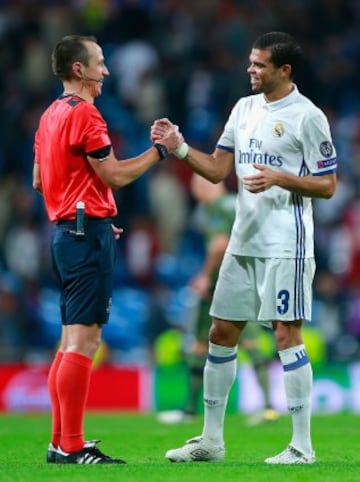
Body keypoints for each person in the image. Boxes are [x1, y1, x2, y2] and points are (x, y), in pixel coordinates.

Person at [151, 31, 337, 464]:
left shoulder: (307, 117)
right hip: (243, 242)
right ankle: (210, 440)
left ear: (283, 70)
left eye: (259, 65)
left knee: (286, 335)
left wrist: (280, 177)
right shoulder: (244, 108)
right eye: (250, 63)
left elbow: (328, 184)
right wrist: (178, 147)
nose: (250, 70)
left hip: (285, 243)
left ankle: (302, 446)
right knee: (220, 332)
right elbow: (217, 170)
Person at [32, 34, 182, 465]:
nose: (106, 71)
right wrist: (160, 151)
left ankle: (61, 443)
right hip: (85, 236)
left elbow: (41, 181)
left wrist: (87, 211)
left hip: (67, 233)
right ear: (78, 69)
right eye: (99, 63)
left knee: (68, 341)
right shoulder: (87, 116)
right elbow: (114, 174)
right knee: (84, 341)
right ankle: (71, 446)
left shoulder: (48, 116)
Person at [157, 173, 278, 425]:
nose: (195, 192)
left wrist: (203, 276)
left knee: (217, 343)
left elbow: (219, 245)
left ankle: (193, 410)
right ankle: (267, 407)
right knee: (223, 343)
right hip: (235, 282)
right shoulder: (234, 203)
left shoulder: (219, 208)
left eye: (196, 187)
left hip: (226, 286)